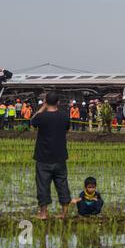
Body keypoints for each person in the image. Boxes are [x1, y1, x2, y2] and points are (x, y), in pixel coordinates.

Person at [31, 91, 71, 220]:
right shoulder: (64, 116)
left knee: (43, 184)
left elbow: (32, 121)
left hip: (43, 157)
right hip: (60, 157)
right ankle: (64, 213)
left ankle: (43, 213)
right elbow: (67, 129)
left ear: (46, 102)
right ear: (58, 102)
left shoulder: (41, 117)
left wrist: (43, 108)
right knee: (62, 183)